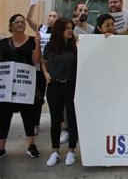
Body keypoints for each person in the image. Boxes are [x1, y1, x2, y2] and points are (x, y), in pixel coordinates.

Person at [0, 14, 41, 159]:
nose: (20, 24)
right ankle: (1, 148)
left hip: (25, 85)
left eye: (22, 22)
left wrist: (37, 43)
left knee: (28, 115)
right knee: (3, 116)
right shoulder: (3, 43)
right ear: (11, 26)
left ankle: (31, 145)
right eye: (16, 22)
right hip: (7, 86)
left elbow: (36, 60)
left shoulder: (31, 41)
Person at [42, 18, 78, 166]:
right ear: (59, 30)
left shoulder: (75, 46)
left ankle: (71, 151)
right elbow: (44, 62)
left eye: (71, 28)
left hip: (71, 86)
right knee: (55, 120)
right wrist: (45, 74)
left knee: (72, 118)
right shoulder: (50, 46)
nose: (70, 30)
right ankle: (55, 151)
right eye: (67, 28)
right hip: (54, 86)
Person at [25, 6, 58, 136]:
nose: (52, 18)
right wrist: (33, 5)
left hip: (54, 69)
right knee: (37, 97)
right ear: (46, 18)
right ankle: (35, 123)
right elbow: (28, 19)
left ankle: (59, 123)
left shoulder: (59, 32)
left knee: (56, 98)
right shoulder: (40, 30)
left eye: (55, 16)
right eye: (50, 15)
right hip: (39, 69)